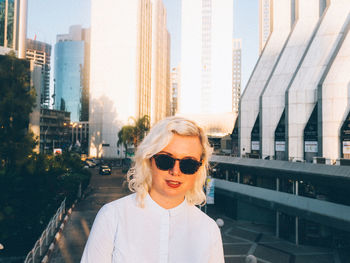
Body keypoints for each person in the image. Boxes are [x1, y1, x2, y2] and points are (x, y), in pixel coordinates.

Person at [81, 116, 224, 263]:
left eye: (188, 164)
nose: (175, 171)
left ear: (198, 169)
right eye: (165, 160)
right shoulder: (112, 217)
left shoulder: (209, 230)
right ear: (149, 159)